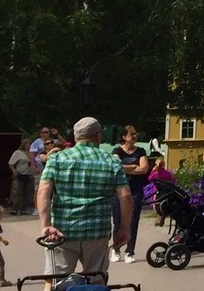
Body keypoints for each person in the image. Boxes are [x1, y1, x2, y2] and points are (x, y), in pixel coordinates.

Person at [38, 117, 131, 277]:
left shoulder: (57, 159)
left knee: (55, 280)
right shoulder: (112, 161)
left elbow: (43, 191)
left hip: (62, 230)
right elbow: (126, 196)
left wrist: (46, 225)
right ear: (98, 136)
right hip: (97, 231)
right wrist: (124, 228)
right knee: (95, 280)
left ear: (76, 137)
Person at [111, 126, 150, 263]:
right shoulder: (117, 151)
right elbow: (116, 167)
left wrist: (125, 168)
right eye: (131, 134)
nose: (134, 136)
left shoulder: (141, 151)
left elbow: (144, 169)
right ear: (124, 137)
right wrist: (134, 166)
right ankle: (116, 249)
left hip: (136, 191)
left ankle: (130, 251)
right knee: (118, 220)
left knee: (133, 221)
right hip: (119, 191)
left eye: (135, 134)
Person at [8, 139, 34, 216]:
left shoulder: (31, 153)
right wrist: (14, 171)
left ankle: (24, 209)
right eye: (27, 144)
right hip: (20, 174)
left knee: (27, 192)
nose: (29, 145)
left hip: (29, 175)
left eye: (30, 144)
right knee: (17, 192)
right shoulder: (18, 153)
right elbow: (10, 163)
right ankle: (15, 208)